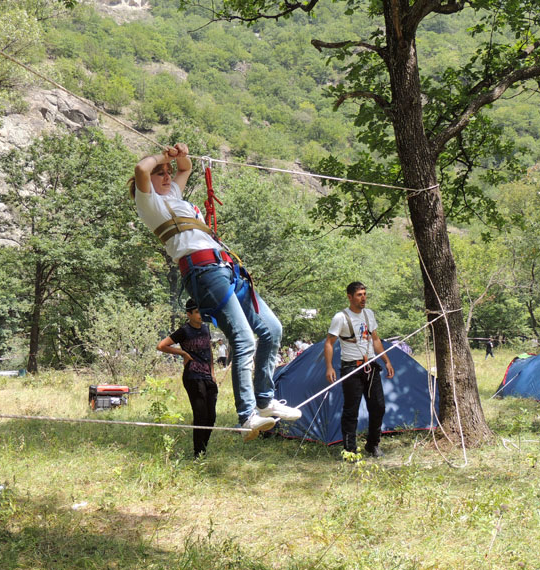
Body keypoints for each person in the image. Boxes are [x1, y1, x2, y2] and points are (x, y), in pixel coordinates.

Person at [130, 143, 301, 441]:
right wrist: (164, 157)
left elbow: (186, 167)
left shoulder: (172, 195)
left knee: (273, 330)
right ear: (149, 182)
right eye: (161, 174)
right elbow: (141, 169)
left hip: (226, 268)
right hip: (204, 272)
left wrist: (179, 155)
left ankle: (265, 398)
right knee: (244, 338)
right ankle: (247, 414)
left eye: (167, 172)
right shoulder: (149, 204)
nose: (167, 176)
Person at [324, 281, 394, 457]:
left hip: (371, 366)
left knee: (378, 407)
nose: (363, 298)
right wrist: (329, 366)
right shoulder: (340, 317)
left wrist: (386, 361)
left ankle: (372, 445)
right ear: (350, 297)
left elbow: (376, 340)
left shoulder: (369, 314)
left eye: (365, 294)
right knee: (351, 410)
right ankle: (350, 450)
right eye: (359, 295)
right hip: (351, 368)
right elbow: (329, 343)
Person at [157, 298, 218, 457]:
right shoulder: (184, 330)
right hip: (192, 376)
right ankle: (199, 454)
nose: (200, 315)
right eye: (197, 312)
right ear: (189, 314)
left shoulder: (206, 328)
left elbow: (209, 350)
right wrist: (183, 353)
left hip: (207, 376)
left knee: (211, 417)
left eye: (201, 312)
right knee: (200, 416)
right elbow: (161, 345)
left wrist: (212, 372)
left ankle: (203, 448)